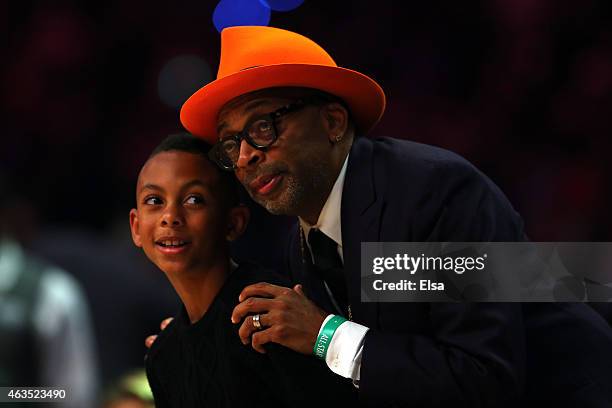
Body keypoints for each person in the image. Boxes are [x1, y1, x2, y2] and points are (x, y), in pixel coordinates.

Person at [176, 26, 612, 407]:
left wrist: (328, 335)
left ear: (332, 121)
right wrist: (197, 351)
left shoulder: (433, 191)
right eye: (231, 145)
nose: (248, 155)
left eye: (263, 127)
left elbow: (483, 376)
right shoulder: (303, 244)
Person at [129, 133, 356, 407]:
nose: (170, 217)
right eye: (154, 201)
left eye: (194, 200)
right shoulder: (162, 356)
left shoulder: (275, 315)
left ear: (234, 223)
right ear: (136, 226)